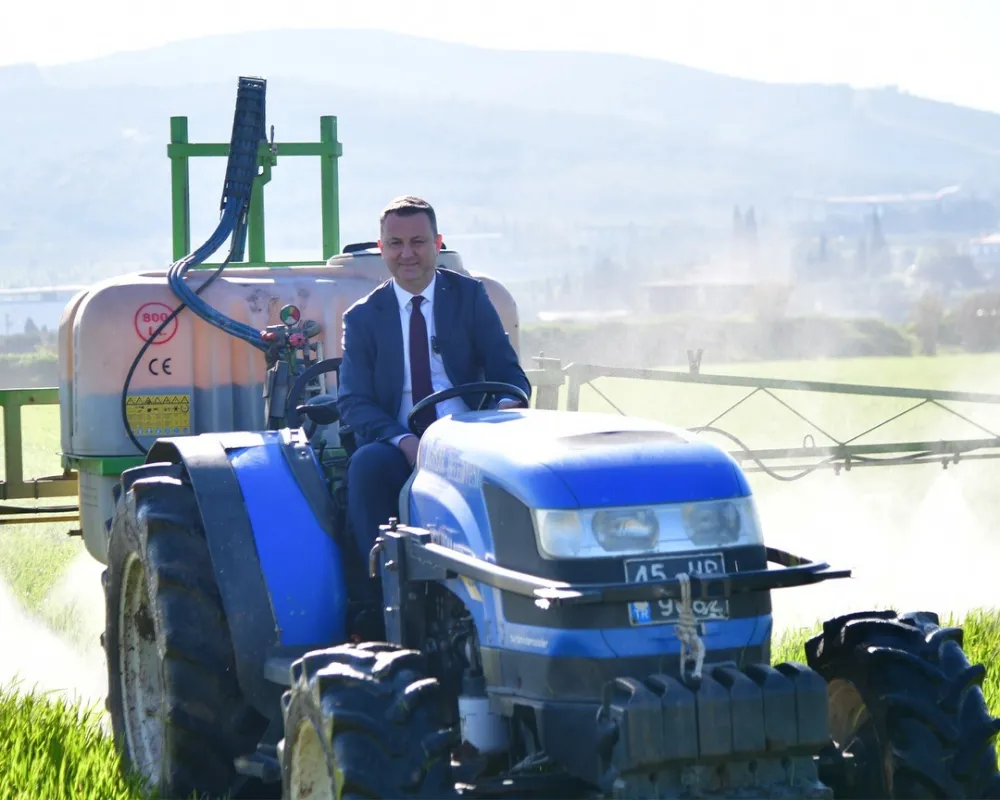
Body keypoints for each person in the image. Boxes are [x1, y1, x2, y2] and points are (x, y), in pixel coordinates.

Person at [337, 195, 531, 594]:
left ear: (438, 244)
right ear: (381, 248)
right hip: (401, 444)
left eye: (418, 242)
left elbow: (509, 373)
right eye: (396, 243)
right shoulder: (363, 317)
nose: (407, 254)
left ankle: (517, 585)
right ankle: (381, 597)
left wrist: (505, 407)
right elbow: (353, 402)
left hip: (469, 437)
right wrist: (404, 441)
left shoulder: (470, 297)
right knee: (366, 466)